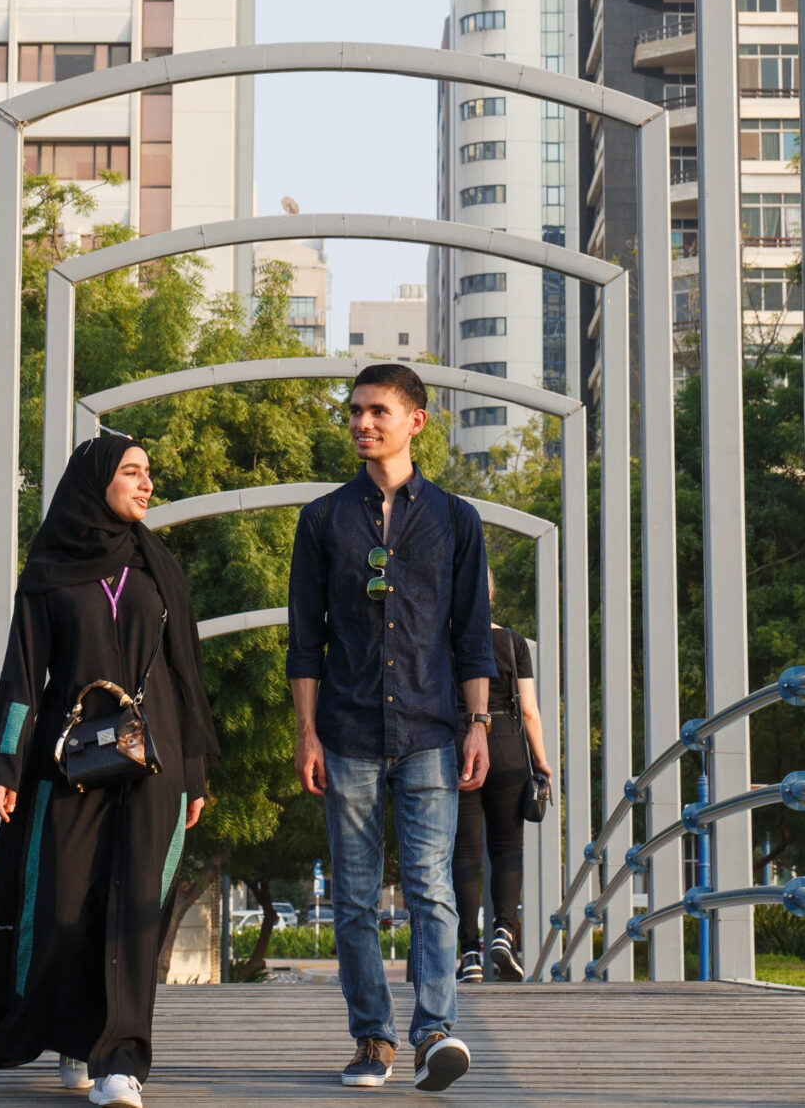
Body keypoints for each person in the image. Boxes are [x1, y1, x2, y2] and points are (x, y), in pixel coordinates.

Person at [0, 434, 221, 1108]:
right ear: (95, 479)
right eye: (132, 472)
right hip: (65, 762)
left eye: (148, 473)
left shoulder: (158, 565)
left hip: (153, 762)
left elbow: (187, 675)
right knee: (63, 900)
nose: (146, 483)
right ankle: (75, 1030)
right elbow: (22, 673)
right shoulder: (49, 568)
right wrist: (4, 763)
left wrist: (195, 770)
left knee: (134, 906)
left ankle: (121, 1059)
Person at [288, 364, 495, 1093]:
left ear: (416, 420)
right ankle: (371, 1037)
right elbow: (303, 640)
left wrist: (478, 724)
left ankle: (434, 1031)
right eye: (353, 411)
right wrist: (306, 731)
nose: (360, 423)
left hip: (433, 729)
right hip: (345, 730)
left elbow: (472, 635)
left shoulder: (454, 519)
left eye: (377, 411)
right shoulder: (322, 520)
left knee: (432, 890)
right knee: (352, 896)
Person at [454, 610, 549, 983]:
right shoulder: (513, 642)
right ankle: (504, 934)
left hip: (459, 743)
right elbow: (528, 709)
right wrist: (541, 761)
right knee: (507, 846)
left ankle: (469, 954)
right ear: (490, 596)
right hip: (508, 743)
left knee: (465, 854)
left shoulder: (444, 640)